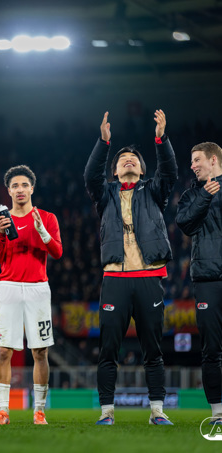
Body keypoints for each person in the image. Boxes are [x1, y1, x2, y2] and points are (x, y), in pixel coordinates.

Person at [84, 110, 177, 425]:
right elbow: (91, 176)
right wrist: (103, 143)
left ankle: (157, 411)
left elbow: (169, 171)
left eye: (134, 159)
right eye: (122, 159)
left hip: (149, 277)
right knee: (108, 349)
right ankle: (107, 412)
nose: (128, 160)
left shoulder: (154, 191)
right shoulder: (105, 195)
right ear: (114, 171)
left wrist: (161, 140)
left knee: (154, 349)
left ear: (142, 169)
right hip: (115, 279)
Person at [0, 165, 62, 425]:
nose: (20, 189)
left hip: (37, 288)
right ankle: (3, 411)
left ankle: (39, 411)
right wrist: (1, 234)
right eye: (15, 186)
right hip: (8, 287)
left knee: (40, 352)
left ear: (32, 188)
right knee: (3, 352)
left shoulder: (47, 218)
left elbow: (57, 252)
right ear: (8, 191)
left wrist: (42, 231)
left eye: (24, 185)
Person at [176, 142, 222, 424]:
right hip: (206, 279)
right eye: (191, 161)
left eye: (197, 160)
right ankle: (218, 413)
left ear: (213, 160)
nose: (192, 165)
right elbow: (185, 223)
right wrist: (205, 195)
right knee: (211, 349)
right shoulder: (192, 195)